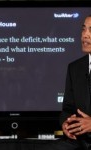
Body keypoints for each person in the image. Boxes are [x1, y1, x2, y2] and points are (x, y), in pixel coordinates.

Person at [39, 15, 91, 150]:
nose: (85, 35)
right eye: (83, 29)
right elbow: (67, 109)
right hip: (79, 141)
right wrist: (66, 124)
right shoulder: (75, 68)